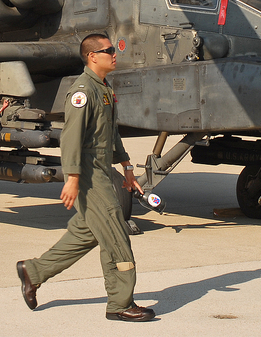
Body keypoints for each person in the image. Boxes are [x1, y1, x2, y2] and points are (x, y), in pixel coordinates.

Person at [16, 34, 156, 322]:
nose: (115, 54)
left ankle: (34, 271)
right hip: (90, 177)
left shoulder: (103, 88)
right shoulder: (82, 92)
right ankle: (120, 303)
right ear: (93, 56)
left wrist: (128, 168)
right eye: (108, 50)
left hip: (103, 171)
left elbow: (110, 133)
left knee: (87, 232)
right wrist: (73, 178)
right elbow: (71, 138)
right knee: (117, 236)